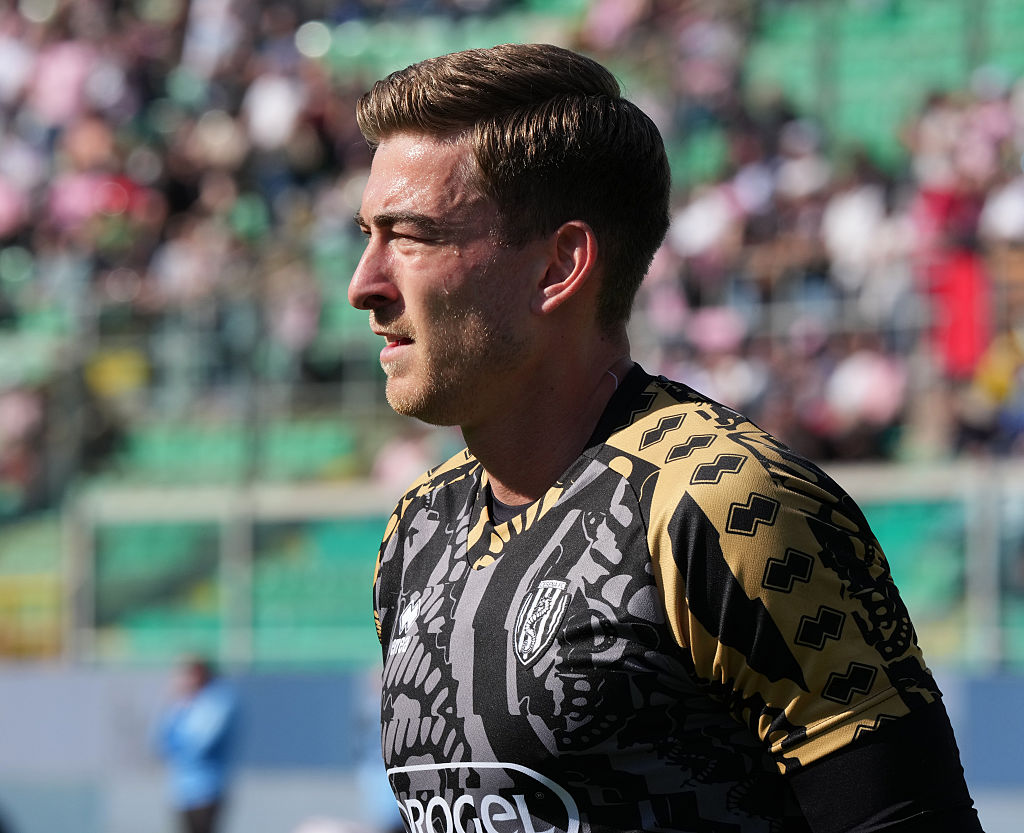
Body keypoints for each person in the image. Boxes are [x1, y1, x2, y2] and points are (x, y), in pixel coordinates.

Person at [347, 43, 983, 833]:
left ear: (560, 264)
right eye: (367, 235)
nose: (363, 284)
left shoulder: (725, 505)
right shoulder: (418, 527)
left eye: (410, 236)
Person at [155, 656, 240, 833]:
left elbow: (199, 746)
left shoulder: (219, 701)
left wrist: (177, 748)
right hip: (182, 792)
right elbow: (160, 742)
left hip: (207, 790)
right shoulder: (182, 704)